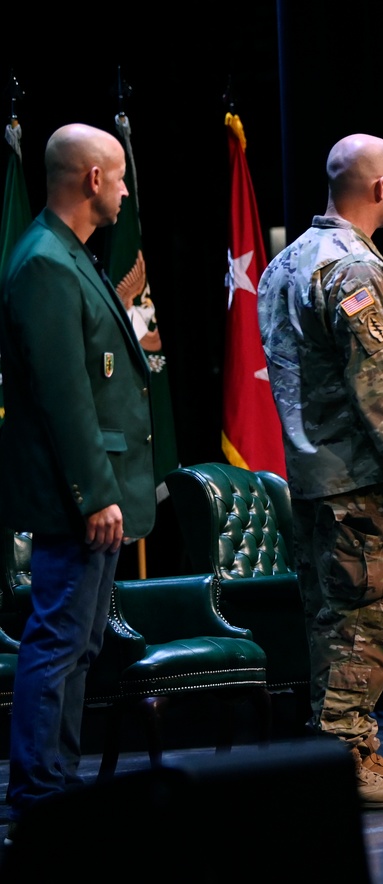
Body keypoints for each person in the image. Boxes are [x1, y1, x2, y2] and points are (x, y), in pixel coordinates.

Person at [257, 133, 383, 808]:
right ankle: (343, 758)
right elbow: (380, 381)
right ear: (377, 188)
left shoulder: (285, 264)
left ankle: (352, 746)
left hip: (310, 477)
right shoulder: (353, 267)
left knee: (332, 621)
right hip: (357, 480)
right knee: (363, 627)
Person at [0, 123, 155, 839]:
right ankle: (38, 792)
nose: (125, 192)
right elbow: (67, 398)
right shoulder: (44, 263)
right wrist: (95, 495)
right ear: (92, 179)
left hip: (97, 493)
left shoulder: (73, 258)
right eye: (120, 177)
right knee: (59, 639)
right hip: (78, 499)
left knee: (80, 643)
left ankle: (55, 783)